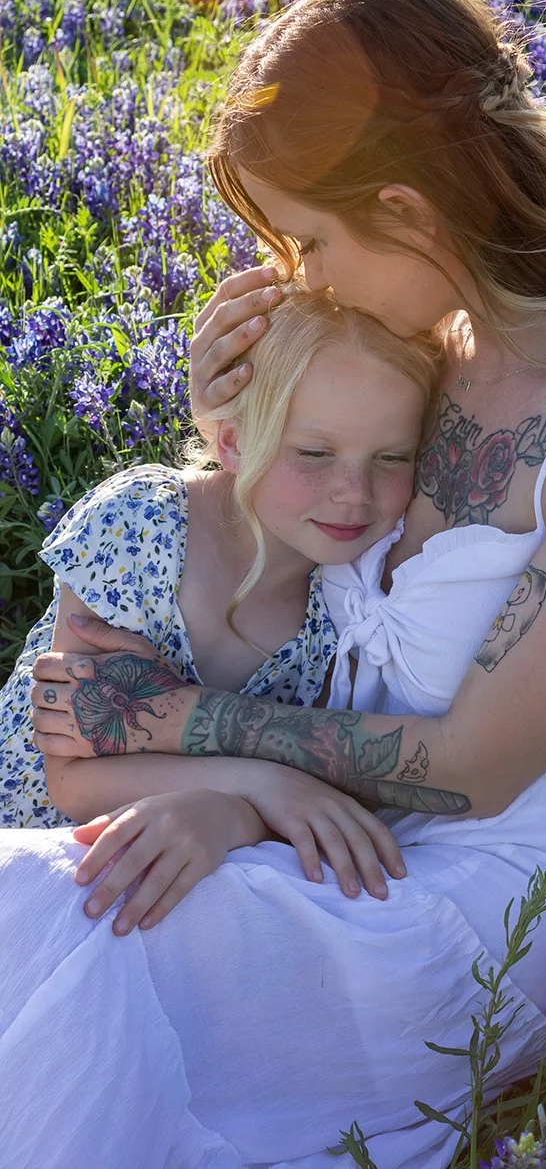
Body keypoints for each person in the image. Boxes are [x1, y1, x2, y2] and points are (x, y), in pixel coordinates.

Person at [2, 0, 546, 1166]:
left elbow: (470, 776)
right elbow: (286, 568)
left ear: (404, 209)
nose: (303, 277)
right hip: (325, 834)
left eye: (308, 238)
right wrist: (229, 453)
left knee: (55, 918)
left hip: (500, 884)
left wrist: (197, 735)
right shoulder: (428, 347)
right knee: (53, 905)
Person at [0, 285, 438, 912]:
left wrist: (232, 815)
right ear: (231, 442)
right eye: (314, 453)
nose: (355, 493)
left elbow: (310, 791)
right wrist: (258, 783)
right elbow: (73, 775)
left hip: (153, 875)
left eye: (392, 457)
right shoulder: (142, 526)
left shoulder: (346, 601)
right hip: (26, 841)